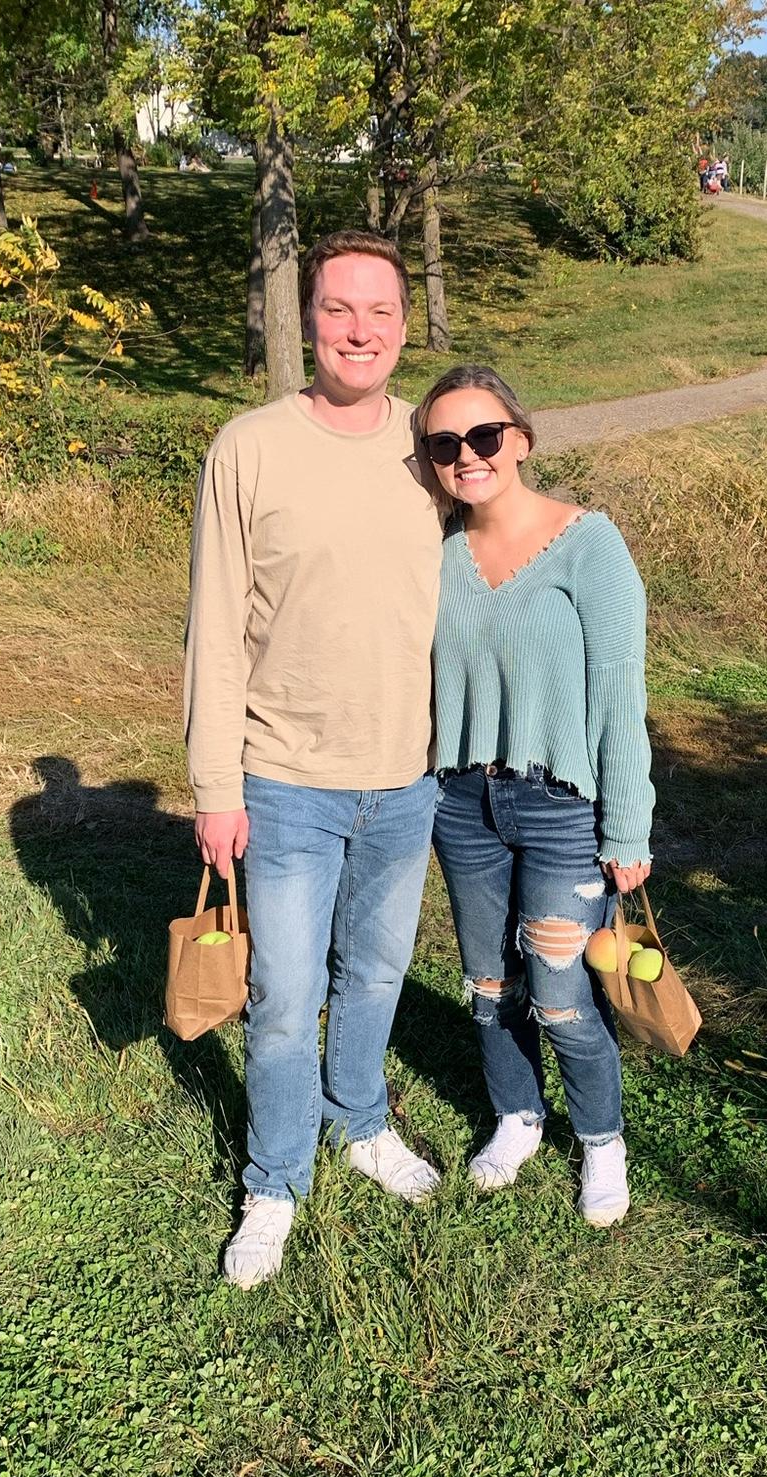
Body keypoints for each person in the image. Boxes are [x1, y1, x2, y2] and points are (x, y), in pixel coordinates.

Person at [185, 230, 446, 1290]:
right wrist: (214, 785)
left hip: (410, 777)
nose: (359, 330)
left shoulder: (434, 447)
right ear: (308, 320)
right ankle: (275, 1181)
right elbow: (211, 625)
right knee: (286, 997)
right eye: (339, 309)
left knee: (377, 972)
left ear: (401, 325)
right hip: (284, 778)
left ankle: (361, 1122)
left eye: (379, 312)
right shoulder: (247, 448)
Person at [418, 364, 654, 1227]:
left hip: (562, 810)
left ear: (520, 439)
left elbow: (620, 696)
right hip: (461, 805)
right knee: (489, 985)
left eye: (484, 437)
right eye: (445, 444)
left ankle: (601, 1142)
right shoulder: (434, 548)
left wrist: (629, 825)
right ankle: (518, 1117)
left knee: (559, 993)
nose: (467, 457)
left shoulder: (589, 544)